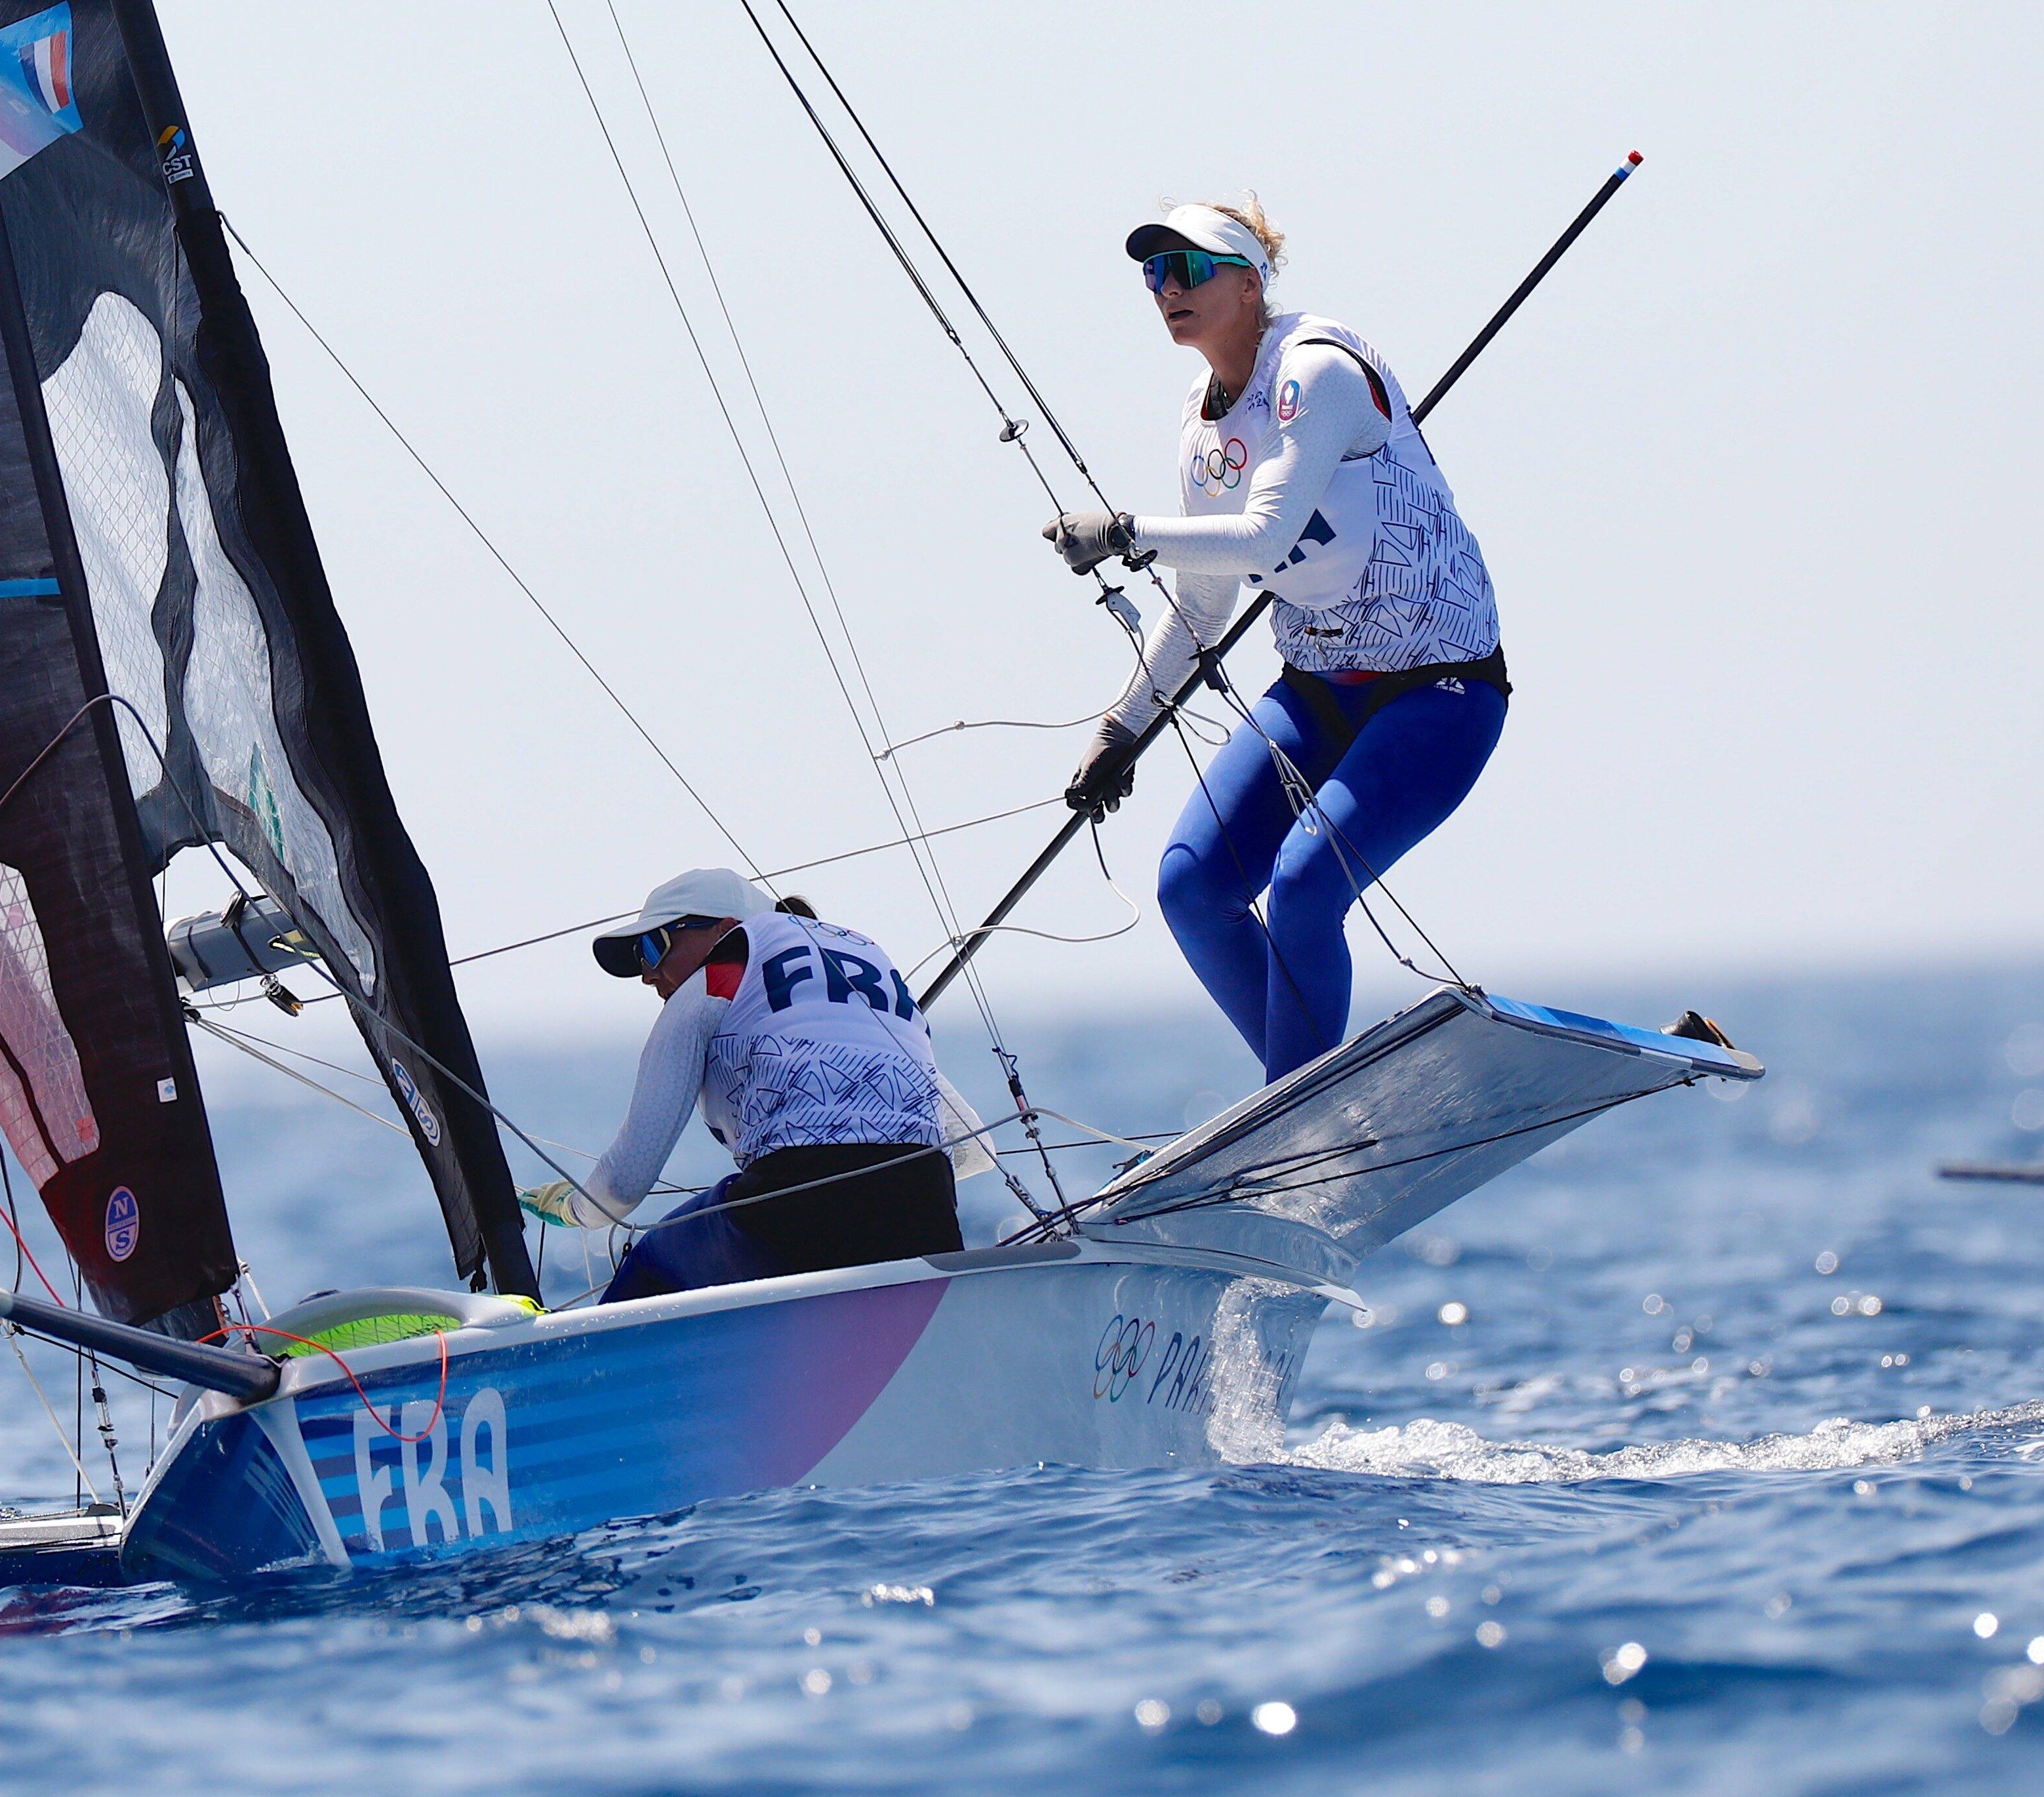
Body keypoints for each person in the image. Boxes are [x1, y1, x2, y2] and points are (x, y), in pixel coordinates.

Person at [1042, 197, 1508, 1083]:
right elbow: (1204, 598)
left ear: (1250, 284)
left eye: (1187, 268)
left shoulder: (1316, 370)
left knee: (1302, 886)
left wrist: (1123, 531)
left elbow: (1260, 537)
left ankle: (1302, 1113)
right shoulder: (1201, 422)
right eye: (1153, 273)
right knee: (1192, 886)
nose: (1166, 288)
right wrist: (1121, 728)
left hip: (1439, 688)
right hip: (1318, 689)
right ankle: (1325, 1103)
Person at [517, 868, 993, 1303]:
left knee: (653, 1265)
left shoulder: (715, 980)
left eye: (655, 947)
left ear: (725, 930)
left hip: (791, 1221)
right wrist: (876, 1184)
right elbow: (975, 1151)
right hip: (928, 1211)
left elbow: (622, 1185)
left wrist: (574, 1209)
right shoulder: (857, 987)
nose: (647, 974)